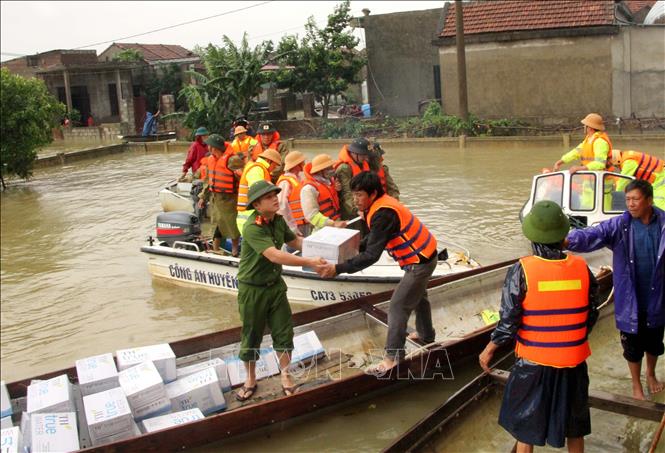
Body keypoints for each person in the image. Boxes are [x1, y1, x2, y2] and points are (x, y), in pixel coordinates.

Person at [479, 200, 599, 453]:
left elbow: (509, 321)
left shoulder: (522, 270)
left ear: (532, 237)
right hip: (574, 363)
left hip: (535, 363)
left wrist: (490, 348)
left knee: (526, 427)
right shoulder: (582, 268)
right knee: (574, 428)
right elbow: (591, 313)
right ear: (563, 235)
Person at [317, 172, 438, 372]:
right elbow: (373, 240)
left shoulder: (383, 214)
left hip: (420, 262)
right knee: (419, 297)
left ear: (373, 194)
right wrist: (350, 249)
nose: (355, 200)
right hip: (424, 255)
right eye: (354, 195)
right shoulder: (379, 205)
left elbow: (372, 255)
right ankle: (426, 335)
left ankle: (393, 358)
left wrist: (338, 269)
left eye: (360, 195)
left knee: (398, 305)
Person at [565, 179, 664, 400]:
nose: (630, 204)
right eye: (627, 199)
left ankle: (651, 373)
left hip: (658, 296)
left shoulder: (663, 223)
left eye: (635, 199)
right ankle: (636, 385)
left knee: (655, 341)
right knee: (632, 345)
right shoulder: (620, 225)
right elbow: (592, 235)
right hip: (631, 298)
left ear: (649, 200)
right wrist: (565, 240)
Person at [235, 180, 326, 401]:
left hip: (275, 286)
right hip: (252, 289)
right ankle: (250, 379)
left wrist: (325, 246)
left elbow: (295, 241)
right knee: (251, 335)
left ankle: (286, 376)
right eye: (269, 197)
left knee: (284, 332)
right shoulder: (252, 227)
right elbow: (275, 255)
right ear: (257, 205)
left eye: (275, 194)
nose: (276, 198)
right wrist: (310, 262)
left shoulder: (277, 220)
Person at [197, 134, 244, 255]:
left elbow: (243, 178)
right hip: (215, 198)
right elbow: (208, 180)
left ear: (214, 147)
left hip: (230, 200)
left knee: (232, 225)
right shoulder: (211, 159)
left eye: (209, 146)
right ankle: (215, 249)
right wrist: (203, 197)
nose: (208, 148)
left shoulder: (232, 160)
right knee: (216, 225)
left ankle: (234, 251)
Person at [236, 149, 282, 233]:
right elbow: (258, 192)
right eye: (274, 165)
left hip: (249, 215)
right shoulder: (257, 169)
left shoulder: (258, 168)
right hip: (249, 216)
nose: (274, 169)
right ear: (269, 161)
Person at [301, 154, 347, 235]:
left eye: (332, 167)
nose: (333, 170)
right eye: (329, 168)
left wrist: (338, 191)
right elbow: (312, 216)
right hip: (321, 231)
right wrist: (332, 223)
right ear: (320, 171)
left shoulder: (329, 183)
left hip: (337, 226)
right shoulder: (309, 189)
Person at [335, 138, 372, 220]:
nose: (365, 157)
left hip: (363, 206)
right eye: (363, 155)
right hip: (350, 209)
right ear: (354, 153)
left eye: (366, 155)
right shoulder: (344, 168)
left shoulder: (362, 164)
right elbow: (347, 193)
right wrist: (357, 210)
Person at [276, 151, 307, 235]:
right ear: (297, 164)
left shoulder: (298, 179)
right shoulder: (285, 182)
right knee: (292, 248)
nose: (304, 164)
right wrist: (292, 227)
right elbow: (281, 206)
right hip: (295, 226)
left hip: (303, 223)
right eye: (302, 162)